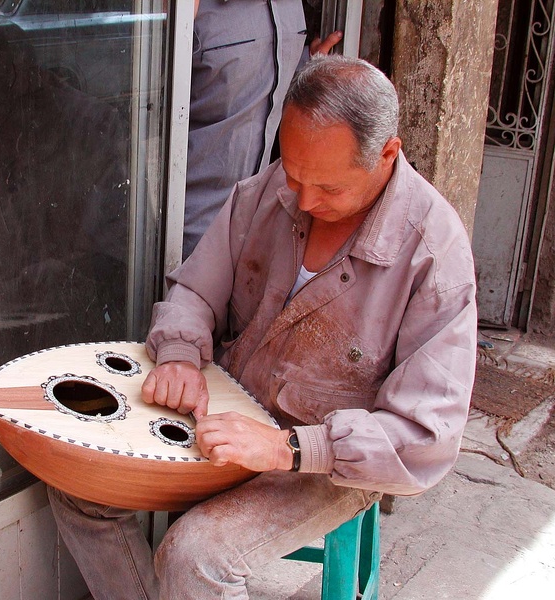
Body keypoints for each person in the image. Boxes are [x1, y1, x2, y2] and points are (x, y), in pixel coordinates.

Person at [48, 55, 478, 599]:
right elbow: (197, 290)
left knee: (195, 555)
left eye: (329, 188)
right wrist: (180, 353)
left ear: (387, 154)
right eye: (294, 174)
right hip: (230, 410)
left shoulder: (435, 257)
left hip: (330, 461)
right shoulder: (272, 190)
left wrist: (288, 449)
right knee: (80, 484)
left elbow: (424, 437)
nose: (303, 201)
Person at [182, 0, 342, 259]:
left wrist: (307, 65)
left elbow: (259, 82)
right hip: (190, 223)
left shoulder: (290, 5)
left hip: (257, 220)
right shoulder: (193, 9)